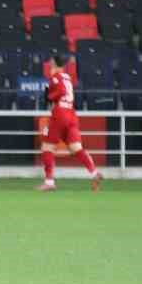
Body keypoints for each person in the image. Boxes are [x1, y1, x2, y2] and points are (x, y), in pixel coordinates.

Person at [40, 51, 102, 191]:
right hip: (71, 115)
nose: (49, 65)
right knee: (76, 147)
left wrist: (49, 96)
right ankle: (94, 173)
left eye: (51, 63)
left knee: (47, 147)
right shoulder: (67, 77)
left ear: (54, 64)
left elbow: (60, 91)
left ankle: (49, 182)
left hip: (59, 114)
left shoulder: (55, 77)